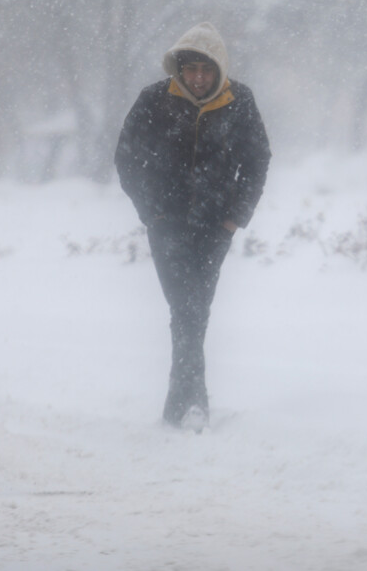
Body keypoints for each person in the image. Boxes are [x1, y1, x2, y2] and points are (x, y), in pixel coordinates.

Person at [115, 22, 271, 429]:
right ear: (179, 69)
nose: (198, 77)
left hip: (215, 226)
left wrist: (236, 216)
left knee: (193, 308)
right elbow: (126, 159)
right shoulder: (154, 100)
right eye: (191, 69)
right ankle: (192, 400)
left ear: (219, 69)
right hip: (166, 225)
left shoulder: (240, 101)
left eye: (206, 69)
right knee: (187, 307)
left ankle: (179, 401)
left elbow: (257, 160)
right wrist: (151, 211)